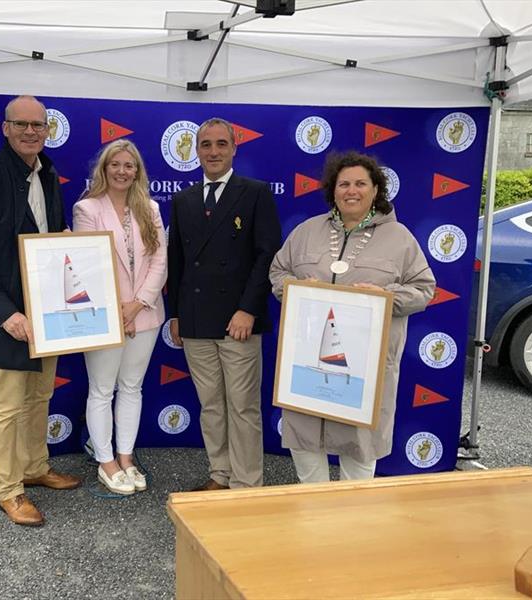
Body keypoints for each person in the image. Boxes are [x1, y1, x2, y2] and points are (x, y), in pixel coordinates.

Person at [269, 150, 435, 482]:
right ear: (333, 190)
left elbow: (424, 289)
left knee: (359, 443)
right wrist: (296, 289)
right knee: (304, 434)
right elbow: (278, 272)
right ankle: (312, 507)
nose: (351, 191)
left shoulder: (400, 238)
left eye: (361, 183)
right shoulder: (306, 231)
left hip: (364, 369)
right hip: (307, 361)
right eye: (344, 184)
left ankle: (352, 517)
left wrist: (386, 298)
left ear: (376, 189)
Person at [0, 95, 81, 527]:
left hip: (51, 314)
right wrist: (6, 314)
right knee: (7, 405)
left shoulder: (49, 177)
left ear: (48, 130)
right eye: (22, 124)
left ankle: (34, 466)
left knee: (40, 395)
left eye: (38, 125)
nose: (31, 131)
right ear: (5, 128)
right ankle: (9, 488)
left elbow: (49, 241)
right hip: (8, 318)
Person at [167, 117, 282, 490]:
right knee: (212, 406)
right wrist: (176, 315)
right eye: (206, 144)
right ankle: (221, 474)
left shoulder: (255, 193)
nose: (213, 151)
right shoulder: (183, 201)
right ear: (196, 151)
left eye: (221, 144)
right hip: (197, 321)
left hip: (239, 322)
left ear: (234, 148)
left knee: (243, 407)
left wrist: (248, 308)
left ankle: (247, 484)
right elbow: (177, 262)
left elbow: (267, 256)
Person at [73, 139, 168, 495]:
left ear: (138, 171)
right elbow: (88, 265)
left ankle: (126, 457)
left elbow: (160, 260)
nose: (123, 171)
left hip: (145, 315)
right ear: (105, 168)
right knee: (100, 390)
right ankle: (105, 461)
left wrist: (138, 303)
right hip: (103, 316)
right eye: (116, 164)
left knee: (131, 387)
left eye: (130, 165)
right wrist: (118, 309)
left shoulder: (151, 209)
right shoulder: (87, 208)